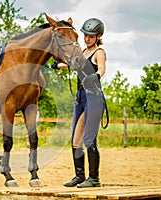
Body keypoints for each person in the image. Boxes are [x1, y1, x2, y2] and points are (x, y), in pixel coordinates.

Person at [52, 18, 106, 188]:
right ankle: (80, 176)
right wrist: (57, 65)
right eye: (85, 35)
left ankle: (94, 179)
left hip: (94, 97)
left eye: (91, 36)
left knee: (89, 139)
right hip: (81, 98)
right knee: (76, 140)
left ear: (98, 36)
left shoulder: (99, 53)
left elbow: (102, 69)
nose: (87, 38)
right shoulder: (82, 51)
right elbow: (72, 64)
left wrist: (95, 76)